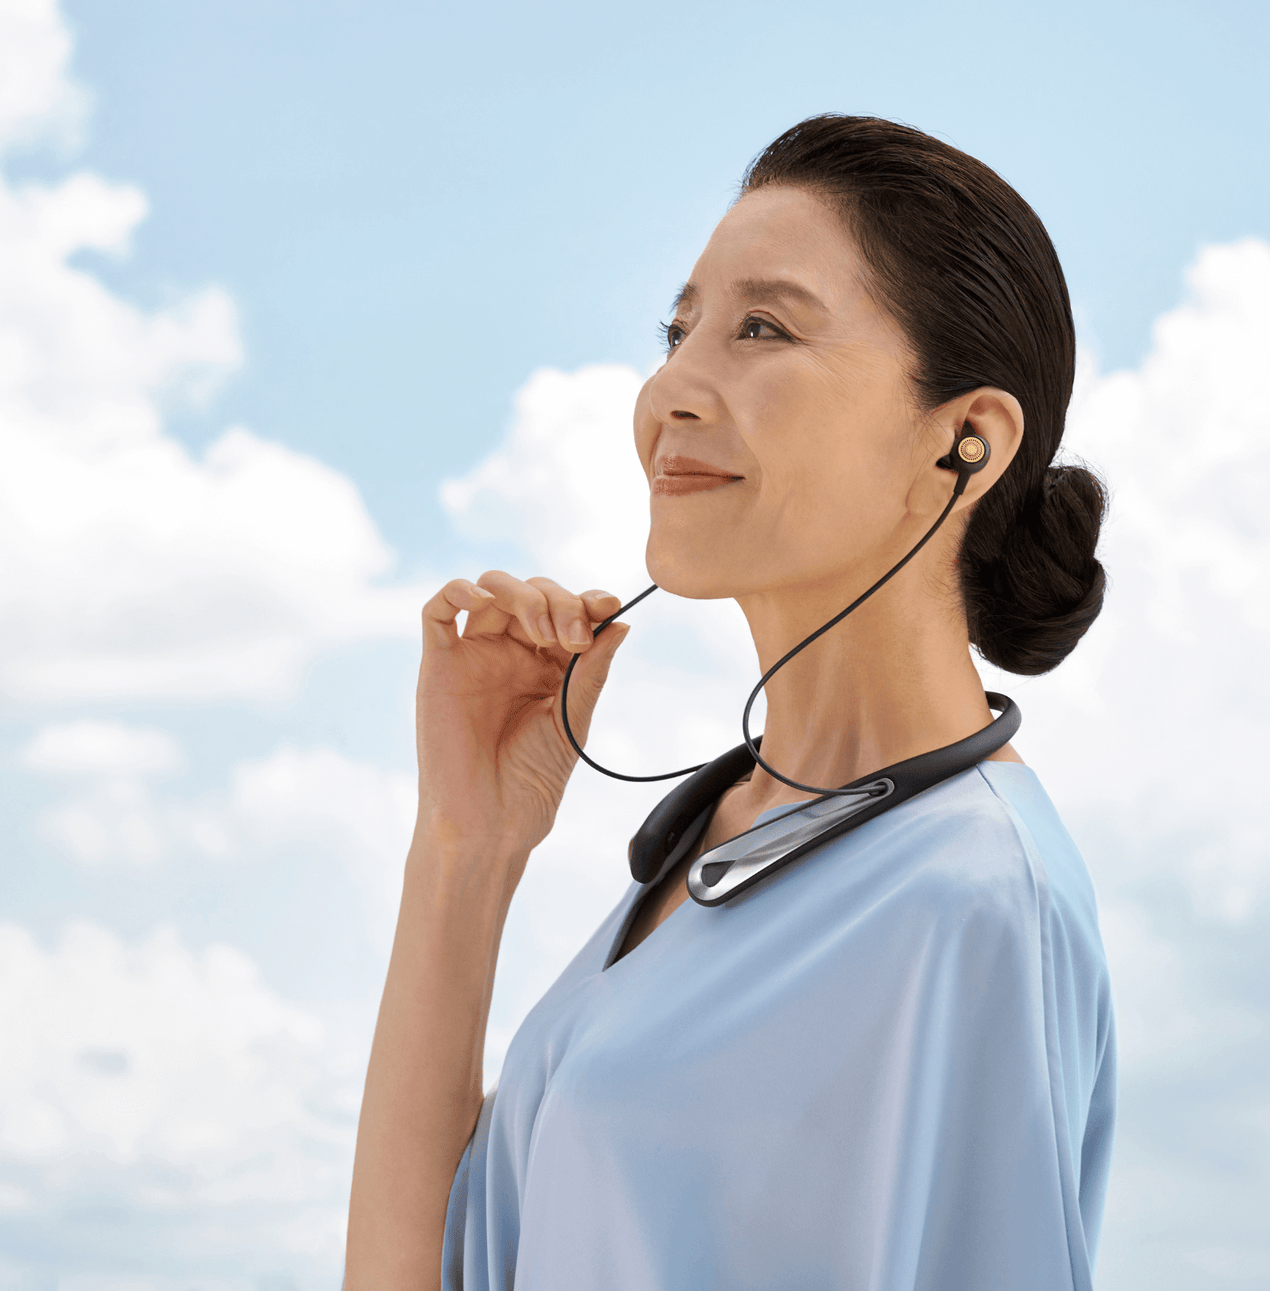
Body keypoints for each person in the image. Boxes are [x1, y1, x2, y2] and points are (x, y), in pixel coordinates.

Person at [344, 115, 1115, 1290]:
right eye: (676, 328)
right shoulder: (726, 846)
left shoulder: (966, 897)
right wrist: (466, 846)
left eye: (761, 328)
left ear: (964, 437)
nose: (670, 390)